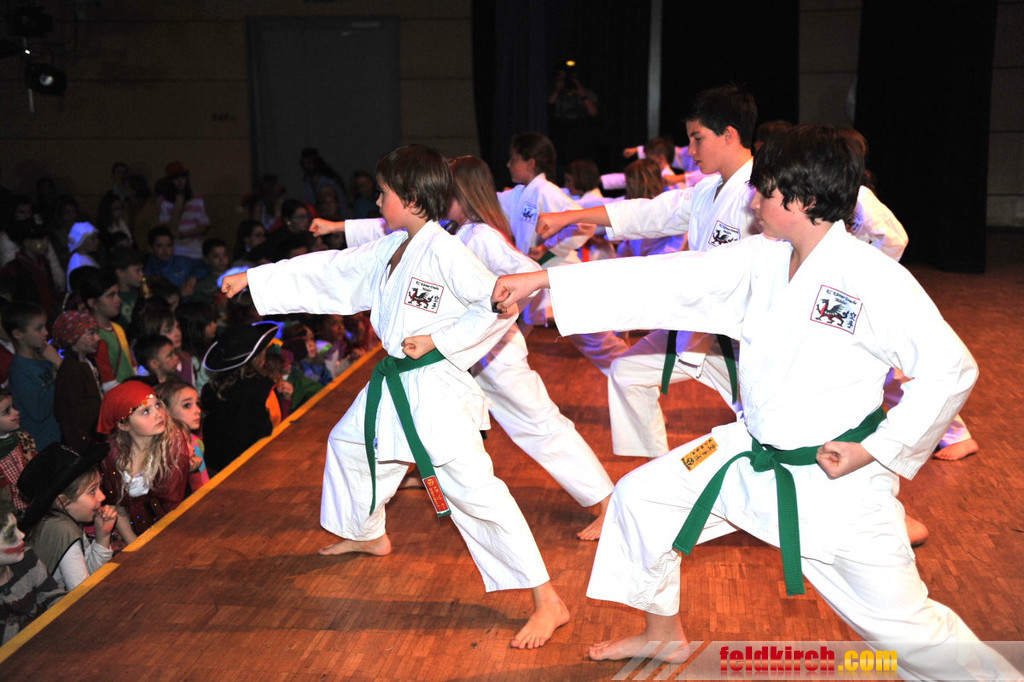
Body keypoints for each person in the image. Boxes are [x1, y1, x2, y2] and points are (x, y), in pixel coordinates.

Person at [491, 125, 1020, 679]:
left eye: (765, 191)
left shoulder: (873, 278)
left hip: (835, 485)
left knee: (912, 635)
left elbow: (951, 369)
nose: (753, 201)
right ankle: (663, 636)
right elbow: (670, 276)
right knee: (643, 499)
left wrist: (877, 449)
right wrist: (546, 281)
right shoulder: (764, 257)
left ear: (803, 200)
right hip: (748, 453)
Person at [223, 144, 569, 649]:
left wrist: (439, 340)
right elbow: (332, 269)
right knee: (350, 445)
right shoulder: (395, 247)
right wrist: (255, 279)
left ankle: (547, 600)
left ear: (409, 199)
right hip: (395, 381)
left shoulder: (446, 251)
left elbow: (501, 305)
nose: (377, 201)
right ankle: (368, 534)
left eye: (383, 193)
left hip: (435, 387)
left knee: (475, 493)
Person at [311, 155, 617, 540]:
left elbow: (525, 273)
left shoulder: (481, 236)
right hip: (455, 356)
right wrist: (337, 226)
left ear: (458, 195)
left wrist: (507, 307)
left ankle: (608, 501)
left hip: (495, 353)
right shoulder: (447, 233)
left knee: (539, 424)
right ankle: (385, 505)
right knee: (422, 418)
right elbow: (390, 227)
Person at [537, 85, 758, 459]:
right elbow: (649, 213)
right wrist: (571, 215)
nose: (690, 150)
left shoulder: (761, 194)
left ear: (729, 134)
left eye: (697, 138)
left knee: (759, 428)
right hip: (702, 326)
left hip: (744, 338)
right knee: (627, 372)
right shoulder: (707, 190)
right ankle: (656, 469)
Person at [498, 132, 627, 375]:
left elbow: (584, 224)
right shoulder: (519, 194)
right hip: (537, 276)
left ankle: (633, 371)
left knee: (594, 338)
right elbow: (486, 201)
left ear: (531, 162)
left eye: (514, 158)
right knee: (507, 335)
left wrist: (548, 248)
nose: (508, 164)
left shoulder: (547, 191)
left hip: (560, 271)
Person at [16, 443, 118, 591]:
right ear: (63, 502)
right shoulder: (61, 527)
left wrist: (103, 536)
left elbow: (90, 573)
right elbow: (81, 591)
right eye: (92, 491)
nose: (102, 496)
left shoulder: (64, 519)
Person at [199, 322, 279, 473]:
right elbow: (276, 424)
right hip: (256, 464)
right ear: (259, 357)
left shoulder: (209, 390)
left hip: (217, 468)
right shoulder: (264, 387)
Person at [0, 488, 63, 644]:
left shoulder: (27, 559)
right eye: (10, 534)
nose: (22, 535)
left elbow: (55, 597)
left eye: (17, 527)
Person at [4, 301, 62, 449]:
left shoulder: (45, 357)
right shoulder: (20, 370)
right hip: (42, 444)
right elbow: (38, 412)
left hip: (58, 437)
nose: (46, 333)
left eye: (45, 326)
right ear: (18, 334)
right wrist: (57, 367)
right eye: (38, 329)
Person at [51, 311, 103, 454]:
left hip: (94, 434)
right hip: (84, 442)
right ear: (72, 338)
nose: (97, 338)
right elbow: (70, 414)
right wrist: (82, 445)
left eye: (96, 332)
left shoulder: (87, 362)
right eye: (90, 334)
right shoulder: (71, 370)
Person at [155, 377, 208, 491]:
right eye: (187, 405)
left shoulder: (194, 439)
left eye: (197, 403)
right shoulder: (175, 449)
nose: (198, 410)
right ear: (166, 412)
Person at [157, 161, 210, 259]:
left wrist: (183, 235)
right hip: (174, 249)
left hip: (195, 248)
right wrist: (178, 205)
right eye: (176, 178)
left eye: (183, 177)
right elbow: (169, 230)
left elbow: (204, 226)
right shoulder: (163, 201)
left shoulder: (197, 198)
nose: (180, 181)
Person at [0, 389, 36, 513]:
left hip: (33, 506)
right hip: (11, 516)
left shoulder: (23, 438)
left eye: (13, 407)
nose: (16, 412)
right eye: (7, 412)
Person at [65, 222, 100, 290]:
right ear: (81, 241)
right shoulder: (78, 263)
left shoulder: (85, 257)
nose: (97, 241)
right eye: (93, 238)